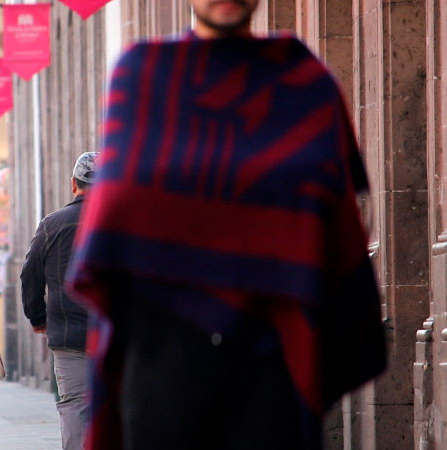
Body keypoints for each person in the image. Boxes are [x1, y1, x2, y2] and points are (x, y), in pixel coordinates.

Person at [65, 1, 387, 449]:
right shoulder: (144, 74)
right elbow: (116, 223)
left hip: (268, 355)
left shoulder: (302, 81)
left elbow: (336, 220)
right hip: (163, 354)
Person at [20, 152, 99, 450]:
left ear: (73, 185)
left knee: (75, 407)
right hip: (115, 334)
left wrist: (37, 317)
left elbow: (30, 275)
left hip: (68, 335)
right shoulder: (120, 223)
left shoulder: (52, 224)